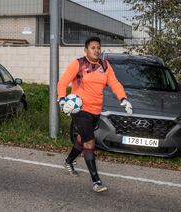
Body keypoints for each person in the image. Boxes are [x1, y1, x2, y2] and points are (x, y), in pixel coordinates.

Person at [57, 36, 133, 193]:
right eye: (93, 47)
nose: (96, 50)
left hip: (96, 111)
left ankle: (69, 161)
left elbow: (114, 83)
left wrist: (123, 98)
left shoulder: (105, 66)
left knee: (81, 138)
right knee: (89, 143)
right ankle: (96, 181)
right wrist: (62, 99)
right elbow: (63, 82)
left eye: (98, 47)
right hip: (80, 110)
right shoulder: (78, 64)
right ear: (86, 50)